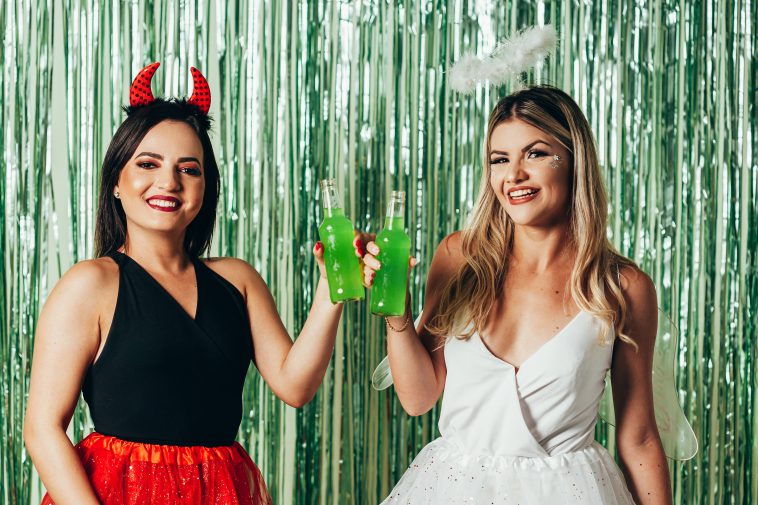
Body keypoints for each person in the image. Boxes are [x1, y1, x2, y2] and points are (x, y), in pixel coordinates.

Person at [23, 63, 343, 505]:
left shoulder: (238, 280)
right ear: (117, 181)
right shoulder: (90, 285)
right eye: (148, 164)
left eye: (188, 169)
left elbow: (296, 386)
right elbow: (42, 429)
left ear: (205, 187)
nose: (168, 182)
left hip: (221, 492)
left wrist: (332, 287)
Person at [359, 85, 672, 504]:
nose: (514, 175)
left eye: (536, 153)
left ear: (573, 161)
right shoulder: (459, 257)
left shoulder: (622, 287)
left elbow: (639, 438)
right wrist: (397, 315)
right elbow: (418, 398)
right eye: (499, 159)